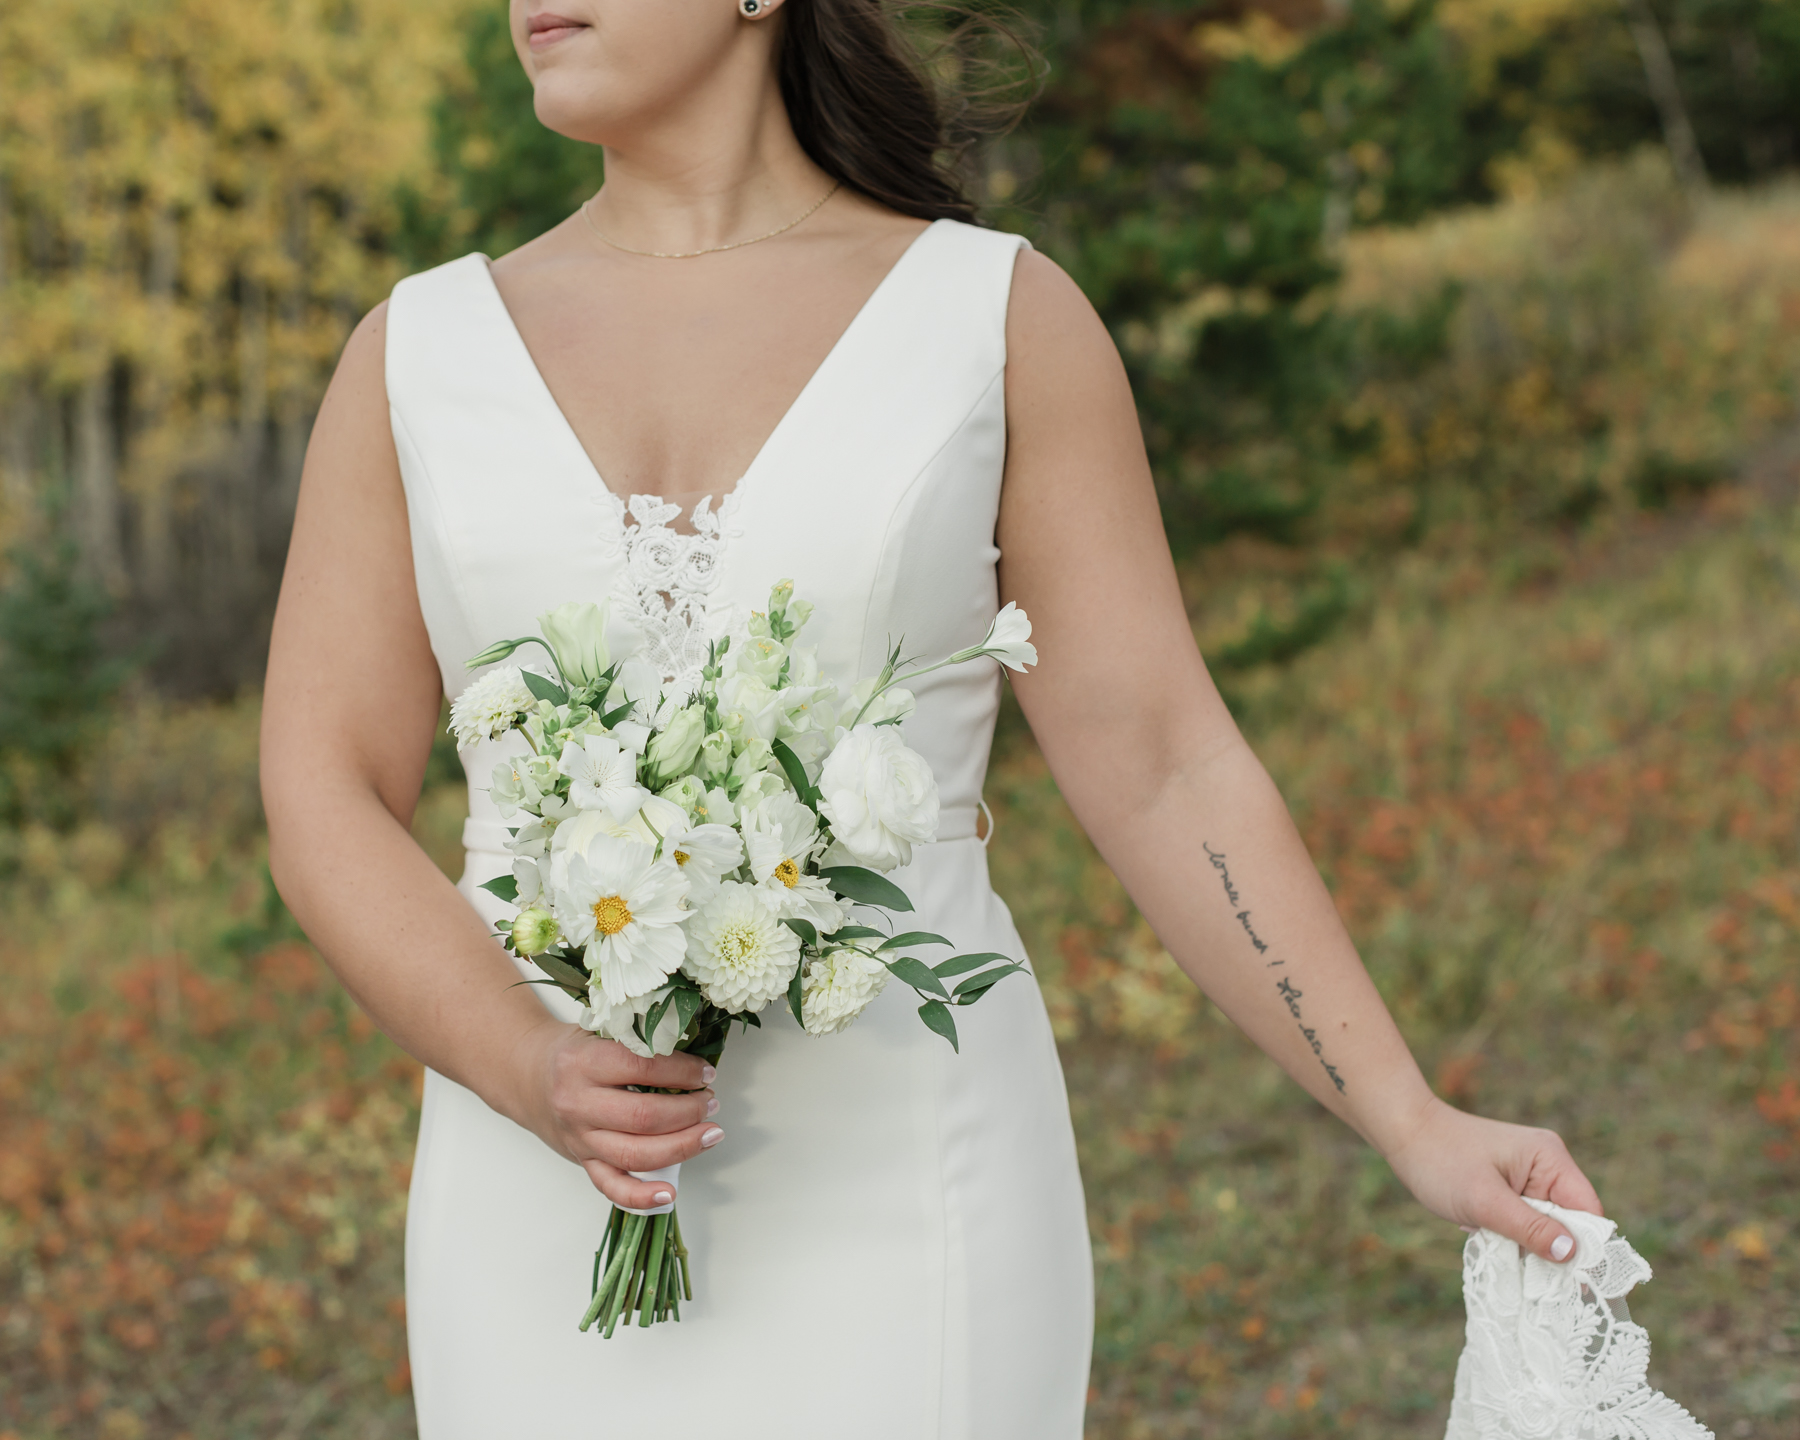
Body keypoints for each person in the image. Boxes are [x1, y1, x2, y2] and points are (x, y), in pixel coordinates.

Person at [259, 1, 1603, 1435]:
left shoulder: (994, 318)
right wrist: (523, 1061)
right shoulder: (415, 354)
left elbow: (1162, 764)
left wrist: (1410, 1118)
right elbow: (322, 787)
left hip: (915, 1169)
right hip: (529, 1191)